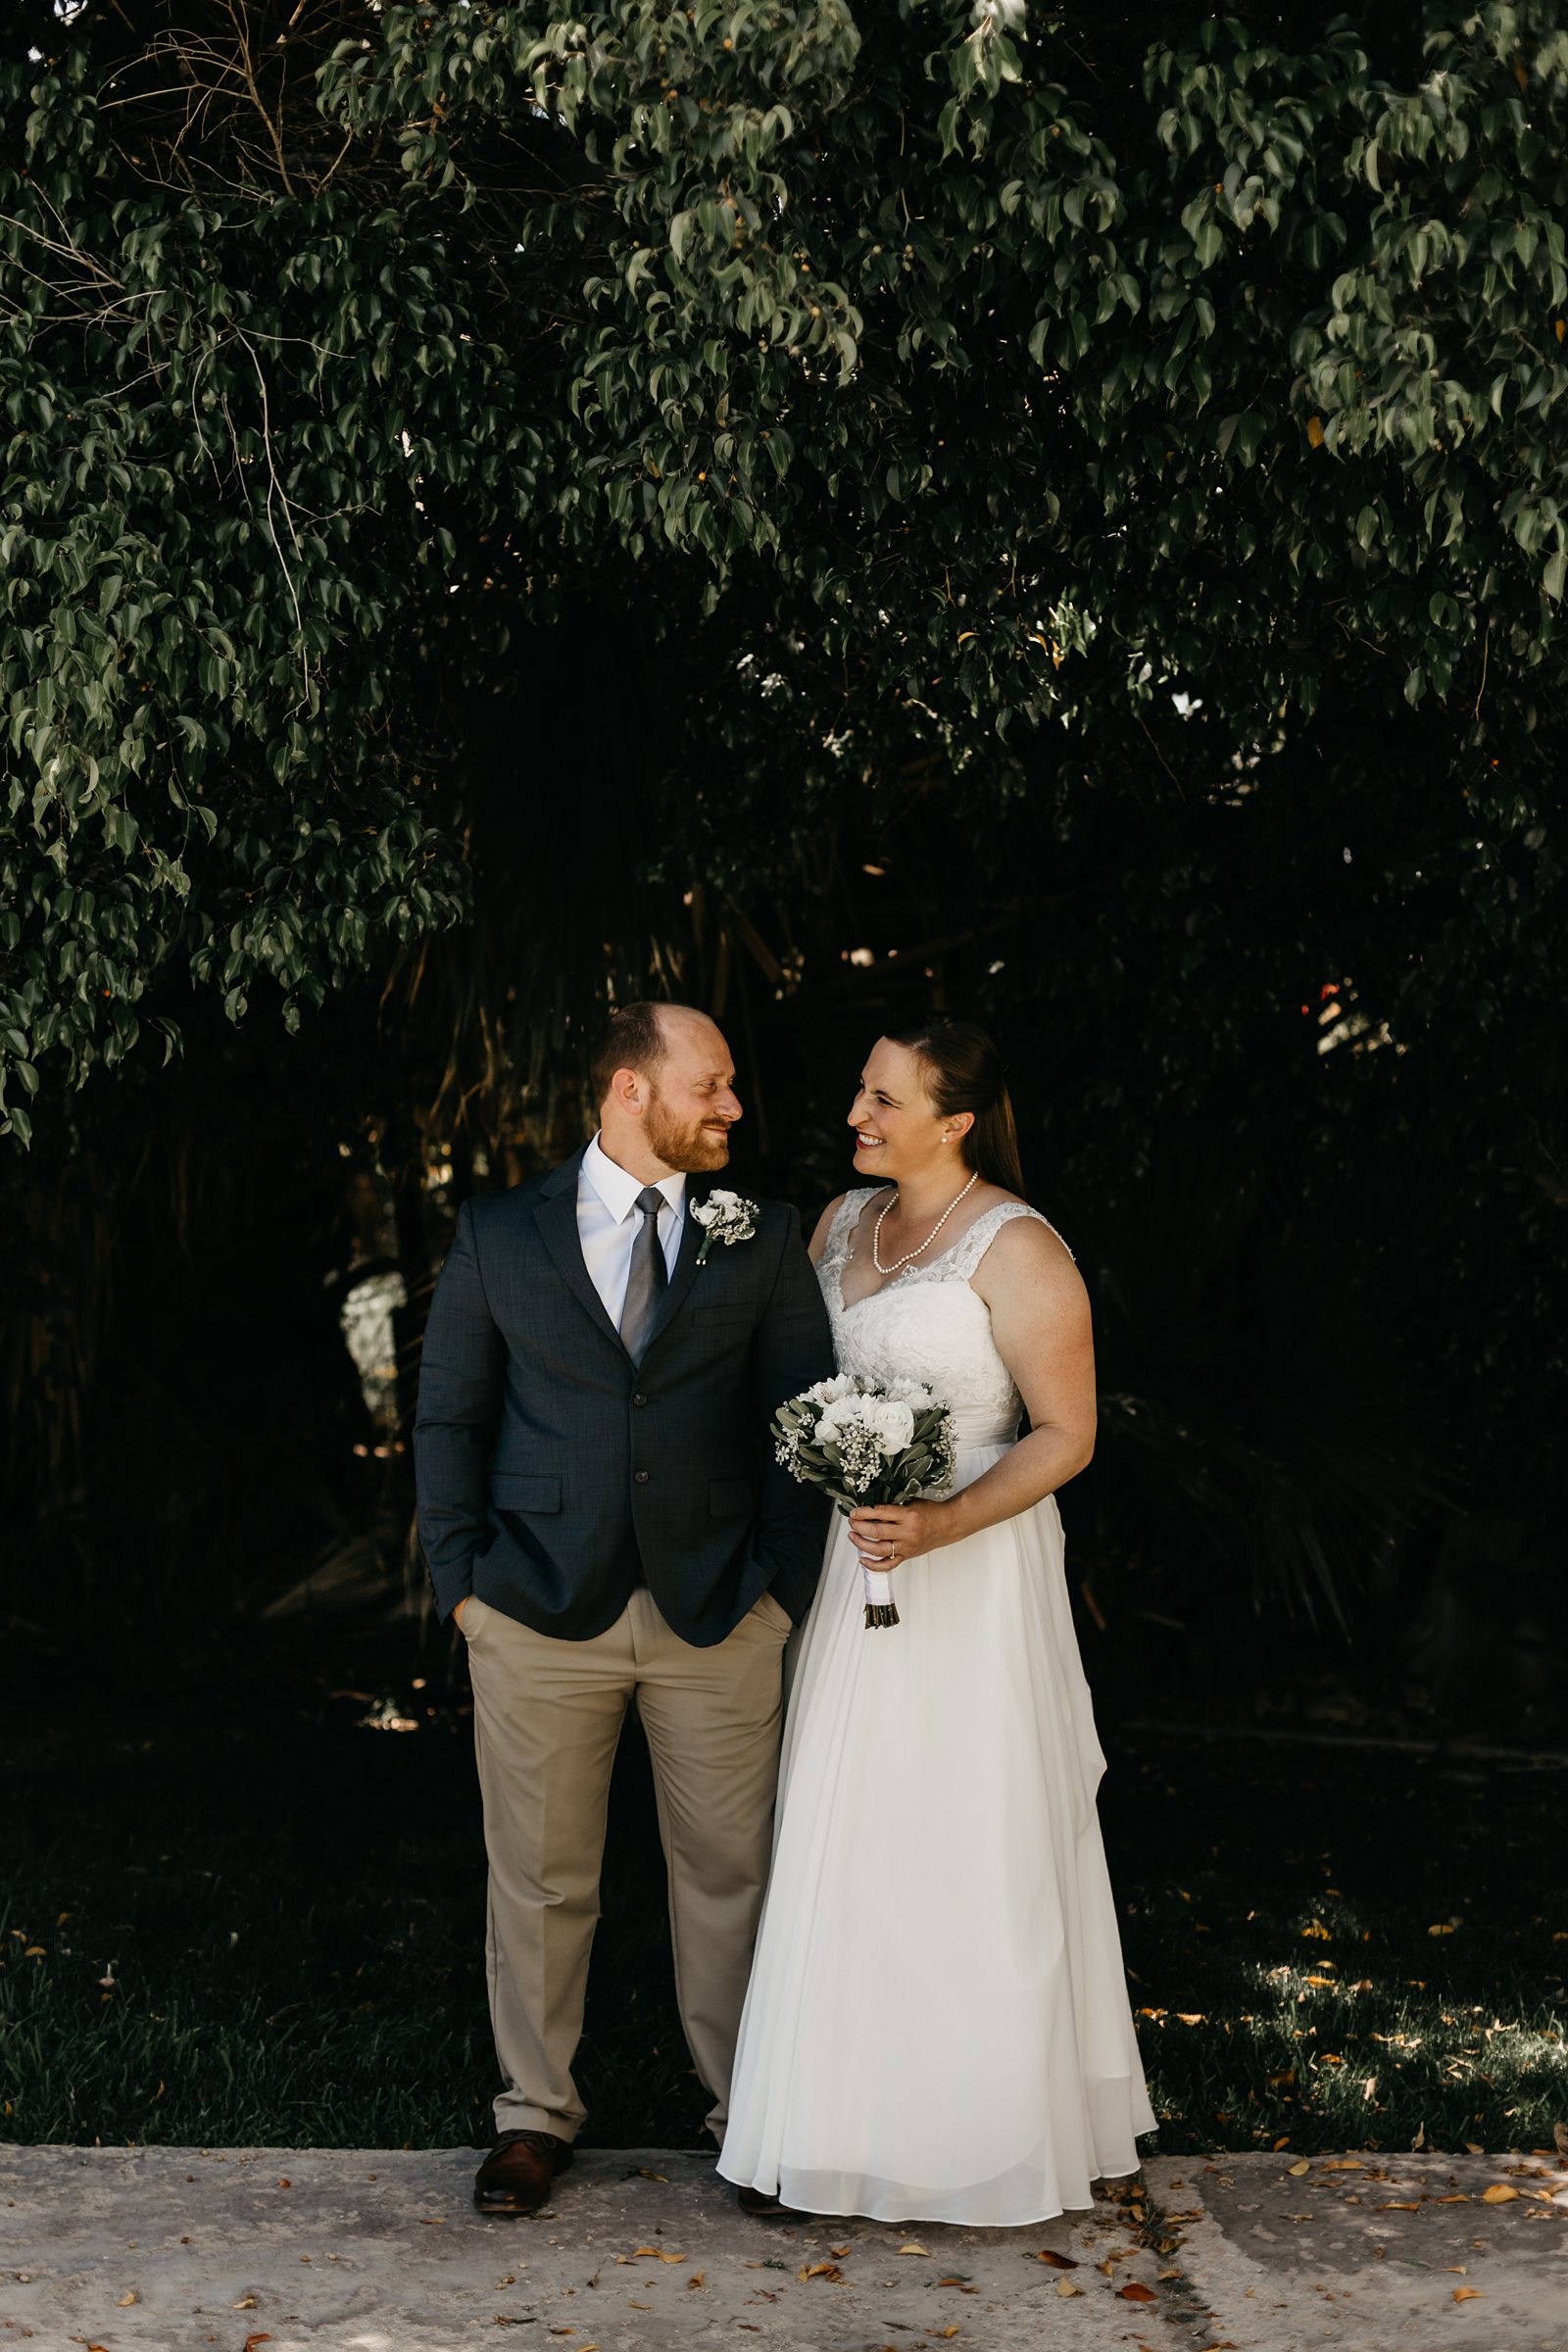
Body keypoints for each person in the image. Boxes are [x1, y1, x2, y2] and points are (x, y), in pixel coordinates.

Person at [719, 1014, 1155, 2227]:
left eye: (883, 1100)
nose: (856, 1116)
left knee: (965, 1829)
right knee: (847, 1822)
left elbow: (1067, 1434)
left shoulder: (1017, 1247)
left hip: (970, 1564)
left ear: (954, 1120)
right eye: (860, 1092)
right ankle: (828, 2135)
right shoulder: (839, 1224)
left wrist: (943, 1526)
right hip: (851, 1553)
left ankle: (976, 2134)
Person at [414, 1001, 833, 2218]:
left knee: (730, 1875)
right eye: (713, 1084)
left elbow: (798, 1417)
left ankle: (747, 2119)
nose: (733, 1107)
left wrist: (780, 1591)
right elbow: (448, 1419)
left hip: (719, 1611)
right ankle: (533, 2117)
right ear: (629, 1091)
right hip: (536, 1609)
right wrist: (463, 1595)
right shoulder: (499, 1232)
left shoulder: (760, 1234)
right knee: (539, 1878)